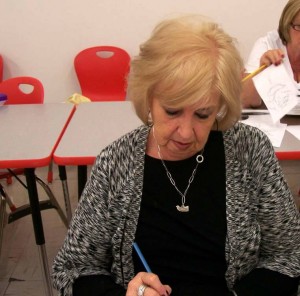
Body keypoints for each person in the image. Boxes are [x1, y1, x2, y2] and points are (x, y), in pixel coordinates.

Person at [52, 14, 300, 296]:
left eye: (203, 114)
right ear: (148, 98)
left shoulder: (250, 151)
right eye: (172, 111)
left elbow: (289, 256)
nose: (185, 133)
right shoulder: (115, 162)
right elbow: (73, 269)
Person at [241, 0, 300, 108]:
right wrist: (261, 72)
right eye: (299, 27)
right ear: (287, 25)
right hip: (272, 123)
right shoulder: (267, 45)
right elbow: (243, 100)